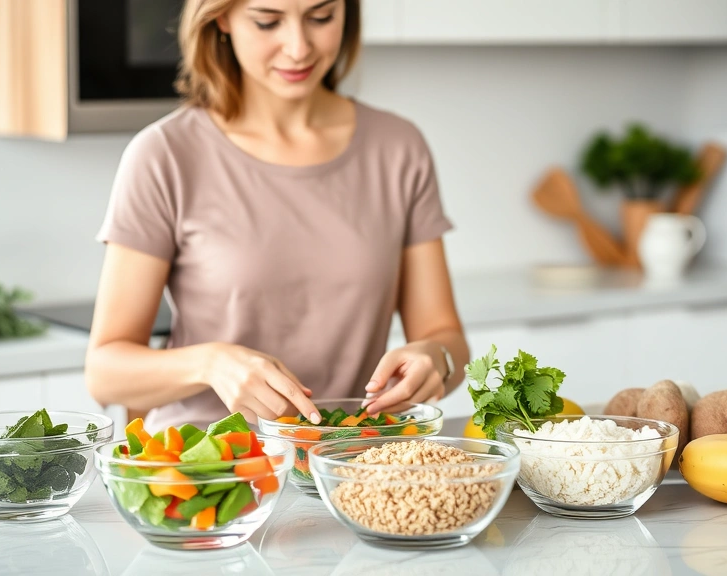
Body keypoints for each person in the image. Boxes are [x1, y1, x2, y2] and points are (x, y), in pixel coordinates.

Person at [86, 0, 468, 430]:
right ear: (221, 18)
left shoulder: (398, 147)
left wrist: (436, 358)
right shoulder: (164, 155)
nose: (298, 47)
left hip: (348, 466)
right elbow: (104, 373)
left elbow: (444, 334)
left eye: (321, 17)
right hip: (206, 471)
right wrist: (210, 364)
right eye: (267, 21)